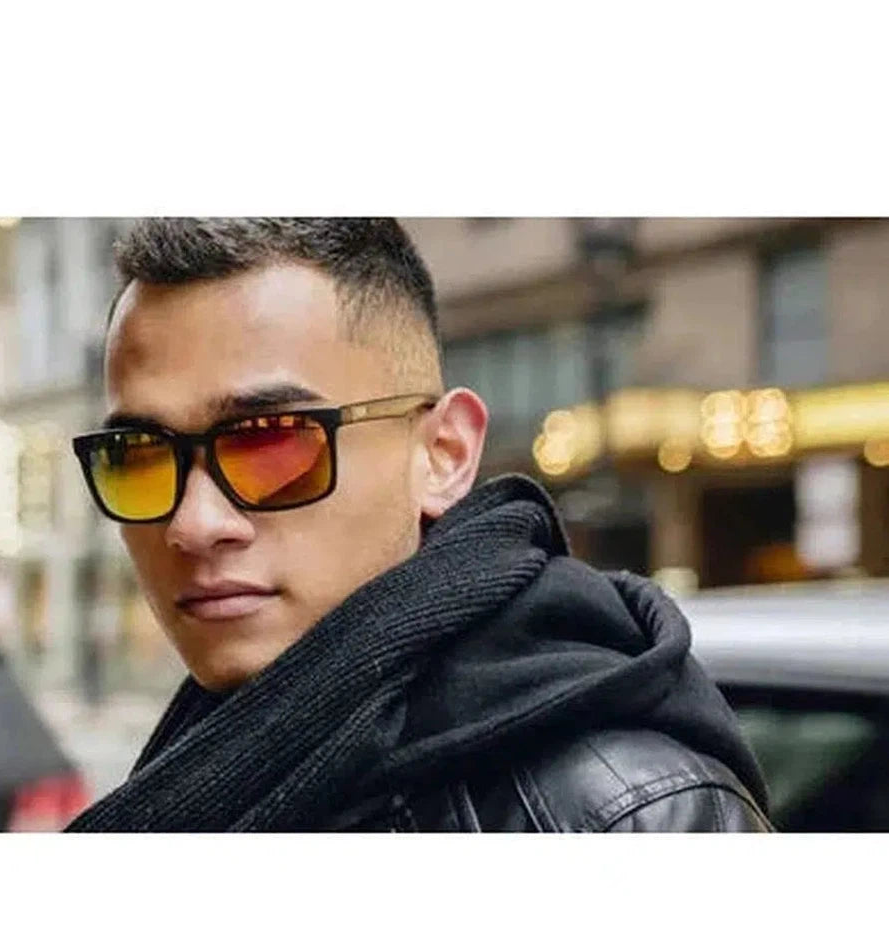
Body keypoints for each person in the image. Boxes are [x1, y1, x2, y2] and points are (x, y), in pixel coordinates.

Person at [66, 218, 771, 833]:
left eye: (270, 444)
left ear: (444, 455)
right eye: (139, 455)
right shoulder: (202, 763)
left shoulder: (624, 813)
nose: (193, 524)